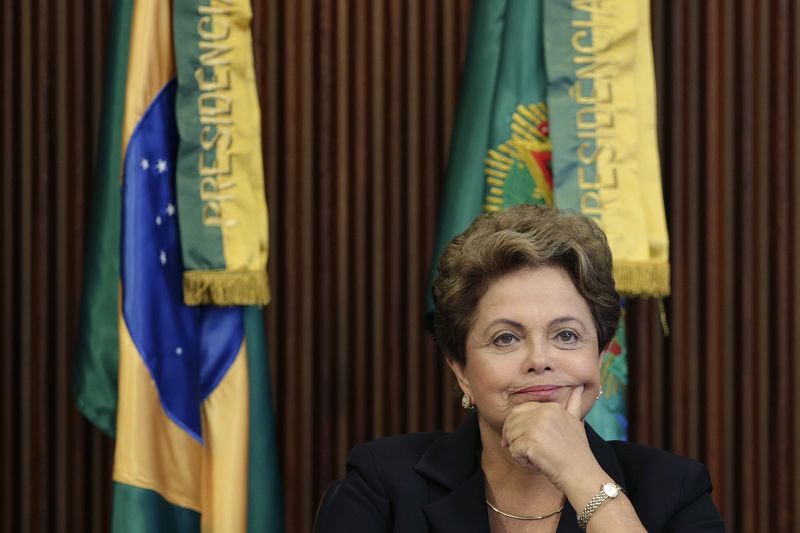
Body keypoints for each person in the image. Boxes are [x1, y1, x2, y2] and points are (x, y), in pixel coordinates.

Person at [314, 205, 724, 532]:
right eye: (505, 338)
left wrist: (582, 477)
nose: (539, 359)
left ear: (599, 359)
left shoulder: (674, 491)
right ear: (460, 370)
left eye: (566, 335)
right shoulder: (381, 486)